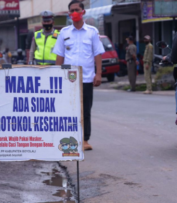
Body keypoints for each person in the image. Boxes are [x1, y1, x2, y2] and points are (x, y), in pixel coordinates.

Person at [53, 0, 105, 151]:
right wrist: (57, 75)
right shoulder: (64, 33)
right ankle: (68, 140)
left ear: (83, 12)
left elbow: (97, 54)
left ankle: (85, 139)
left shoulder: (92, 32)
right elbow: (60, 56)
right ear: (69, 14)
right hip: (67, 79)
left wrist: (99, 74)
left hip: (87, 78)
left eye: (77, 10)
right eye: (72, 10)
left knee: (85, 110)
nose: (74, 13)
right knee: (68, 110)